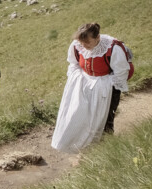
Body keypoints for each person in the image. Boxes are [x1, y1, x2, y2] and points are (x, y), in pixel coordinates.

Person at [51, 23, 130, 153]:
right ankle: (84, 148)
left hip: (107, 88)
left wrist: (104, 84)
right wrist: (78, 78)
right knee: (81, 114)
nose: (84, 46)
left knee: (106, 119)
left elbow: (121, 72)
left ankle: (108, 150)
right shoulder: (77, 46)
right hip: (83, 84)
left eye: (87, 42)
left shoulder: (113, 48)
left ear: (97, 37)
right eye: (82, 42)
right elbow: (73, 63)